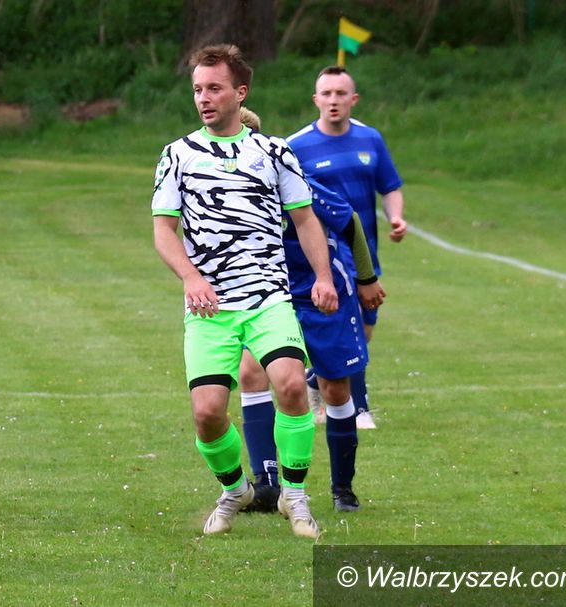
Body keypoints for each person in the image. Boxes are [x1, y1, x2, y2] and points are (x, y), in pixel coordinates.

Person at [152, 45, 338, 538]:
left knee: (292, 385)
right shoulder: (177, 155)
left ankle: (294, 495)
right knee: (207, 413)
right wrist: (191, 277)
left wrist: (323, 276)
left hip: (268, 297)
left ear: (240, 92)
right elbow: (164, 231)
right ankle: (235, 489)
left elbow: (305, 219)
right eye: (197, 89)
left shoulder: (274, 152)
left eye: (214, 88)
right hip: (210, 306)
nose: (203, 98)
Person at [237, 107, 386, 514]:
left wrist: (366, 279)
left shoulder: (292, 178)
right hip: (272, 296)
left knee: (336, 388)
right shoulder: (230, 191)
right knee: (251, 373)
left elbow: (349, 220)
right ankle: (267, 484)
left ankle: (342, 488)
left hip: (325, 295)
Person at [286, 65, 407, 430]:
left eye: (341, 93)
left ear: (353, 99)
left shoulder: (371, 139)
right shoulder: (296, 146)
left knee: (365, 330)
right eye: (327, 93)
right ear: (316, 99)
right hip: (326, 258)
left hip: (364, 251)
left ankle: (315, 380)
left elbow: (390, 186)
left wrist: (396, 217)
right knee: (349, 331)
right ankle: (359, 408)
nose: (333, 100)